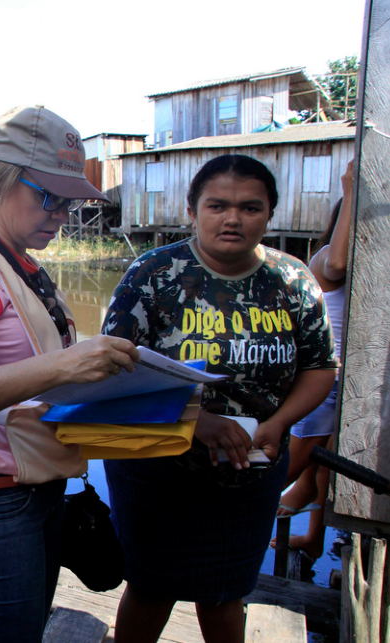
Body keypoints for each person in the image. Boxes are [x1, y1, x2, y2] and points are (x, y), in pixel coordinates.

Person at [0, 105, 140, 643]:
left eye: (69, 200)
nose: (62, 213)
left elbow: (33, 380)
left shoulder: (17, 261)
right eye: (48, 196)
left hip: (29, 490)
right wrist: (65, 364)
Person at [101, 155, 337, 643]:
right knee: (150, 587)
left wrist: (278, 423)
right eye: (218, 205)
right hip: (158, 466)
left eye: (250, 207)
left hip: (250, 467)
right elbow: (109, 375)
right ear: (193, 210)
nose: (233, 218)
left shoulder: (293, 281)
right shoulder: (152, 275)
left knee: (226, 591)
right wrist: (195, 421)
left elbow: (320, 368)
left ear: (270, 213)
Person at [272, 159, 355, 558]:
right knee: (293, 465)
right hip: (321, 377)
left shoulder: (369, 270)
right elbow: (338, 263)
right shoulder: (325, 258)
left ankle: (314, 540)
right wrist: (352, 190)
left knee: (324, 465)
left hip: (349, 383)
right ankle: (236, 522)